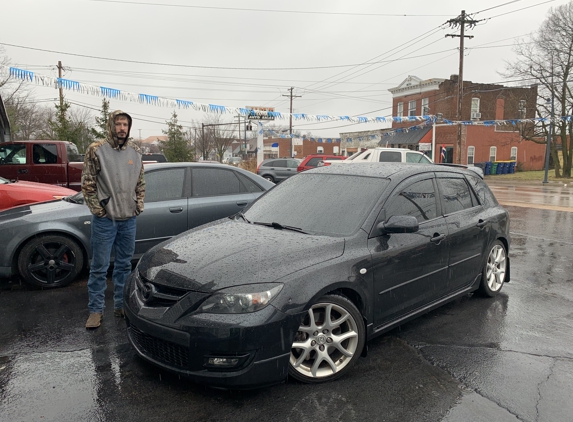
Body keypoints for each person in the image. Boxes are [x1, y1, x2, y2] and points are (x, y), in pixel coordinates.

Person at [82, 110, 145, 329]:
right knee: (99, 267)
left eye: (125, 125)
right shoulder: (96, 150)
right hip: (105, 221)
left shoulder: (135, 152)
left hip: (128, 220)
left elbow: (140, 182)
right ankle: (95, 311)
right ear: (111, 125)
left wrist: (138, 205)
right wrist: (99, 210)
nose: (122, 128)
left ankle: (120, 306)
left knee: (124, 266)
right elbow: (87, 185)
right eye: (118, 124)